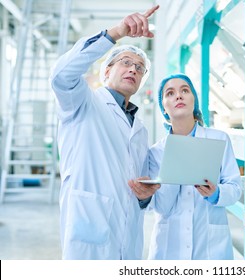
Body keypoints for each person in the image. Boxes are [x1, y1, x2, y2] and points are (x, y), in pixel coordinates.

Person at [49, 5, 160, 260]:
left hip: (128, 241)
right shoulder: (82, 102)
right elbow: (61, 77)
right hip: (89, 237)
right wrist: (116, 33)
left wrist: (144, 199)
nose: (133, 69)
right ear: (107, 70)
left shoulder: (140, 130)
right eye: (126, 63)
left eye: (140, 68)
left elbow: (134, 187)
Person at [129, 73, 242, 259]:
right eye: (170, 93)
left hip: (210, 248)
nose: (178, 96)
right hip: (169, 249)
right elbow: (161, 207)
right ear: (164, 108)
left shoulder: (218, 139)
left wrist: (216, 194)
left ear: (194, 101)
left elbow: (235, 189)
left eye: (184, 90)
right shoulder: (156, 152)